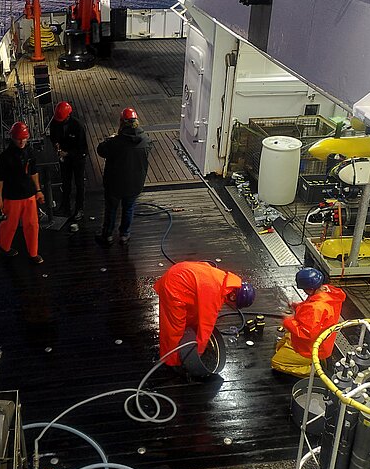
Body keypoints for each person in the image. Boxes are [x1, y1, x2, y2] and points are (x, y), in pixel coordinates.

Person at [154, 261, 255, 367]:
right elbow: (206, 326)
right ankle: (171, 362)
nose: (231, 306)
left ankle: (183, 341)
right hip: (174, 287)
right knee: (174, 329)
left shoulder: (223, 279)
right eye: (234, 304)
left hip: (181, 275)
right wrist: (198, 353)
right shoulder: (214, 292)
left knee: (194, 316)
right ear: (233, 296)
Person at [271, 267, 345, 377]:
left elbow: (306, 333)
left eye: (304, 289)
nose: (304, 291)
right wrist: (297, 306)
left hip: (312, 348)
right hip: (323, 343)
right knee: (280, 345)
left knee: (277, 362)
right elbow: (311, 308)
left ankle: (315, 369)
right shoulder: (329, 293)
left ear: (310, 289)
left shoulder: (316, 307)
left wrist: (288, 320)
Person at [95, 107, 151, 245]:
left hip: (115, 184)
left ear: (121, 122)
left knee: (111, 210)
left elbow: (101, 150)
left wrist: (110, 139)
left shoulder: (116, 142)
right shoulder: (145, 140)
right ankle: (124, 235)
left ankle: (107, 235)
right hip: (134, 184)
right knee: (129, 208)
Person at [0, 121, 45, 264]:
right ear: (13, 138)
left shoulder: (30, 152)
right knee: (10, 224)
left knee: (32, 224)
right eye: (19, 138)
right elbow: (0, 178)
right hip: (12, 196)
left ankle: (33, 253)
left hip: (29, 195)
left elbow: (34, 171)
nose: (22, 141)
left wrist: (38, 190)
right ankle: (3, 247)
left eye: (24, 138)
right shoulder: (4, 157)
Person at [49, 101, 88, 221]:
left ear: (68, 115)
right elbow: (53, 136)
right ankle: (65, 206)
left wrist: (68, 153)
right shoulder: (55, 122)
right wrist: (56, 145)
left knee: (79, 183)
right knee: (65, 182)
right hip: (64, 157)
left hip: (78, 159)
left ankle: (79, 209)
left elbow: (83, 149)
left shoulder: (78, 126)